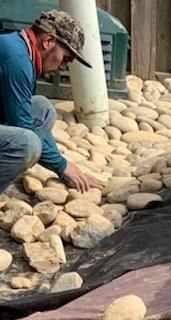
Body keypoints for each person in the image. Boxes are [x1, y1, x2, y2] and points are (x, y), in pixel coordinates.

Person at [0, 10, 101, 195]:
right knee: (27, 144)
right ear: (48, 41)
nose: (63, 67)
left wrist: (63, 169)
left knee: (42, 108)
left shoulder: (20, 49)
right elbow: (23, 126)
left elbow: (27, 117)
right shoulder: (17, 60)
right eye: (66, 59)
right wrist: (62, 165)